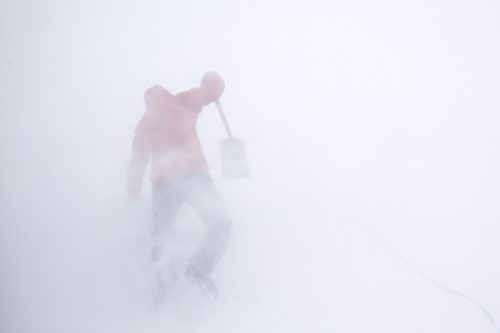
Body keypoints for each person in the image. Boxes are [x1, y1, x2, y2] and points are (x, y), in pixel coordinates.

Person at [127, 72, 233, 299]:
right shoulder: (183, 100)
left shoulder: (144, 124)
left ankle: (162, 292)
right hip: (195, 177)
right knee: (221, 224)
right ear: (164, 93)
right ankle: (198, 270)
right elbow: (213, 90)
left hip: (164, 187)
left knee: (161, 239)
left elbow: (136, 164)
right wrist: (210, 78)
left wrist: (133, 194)